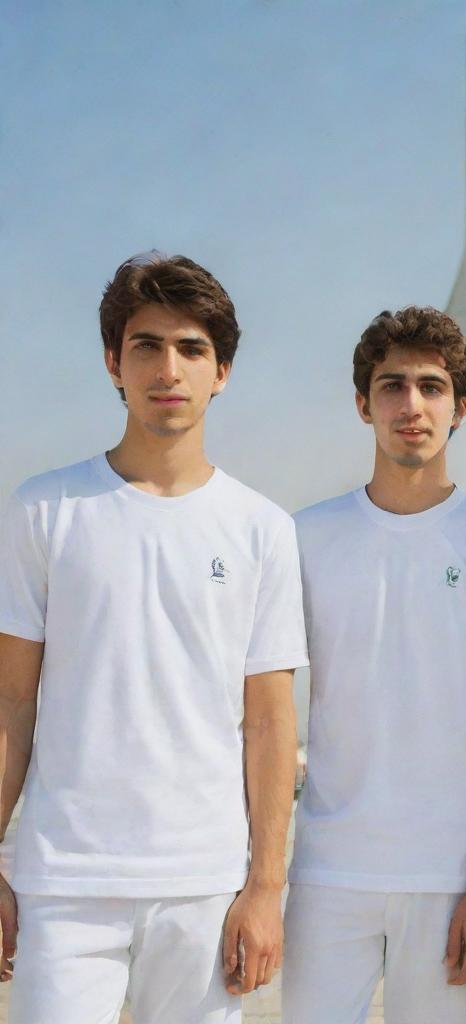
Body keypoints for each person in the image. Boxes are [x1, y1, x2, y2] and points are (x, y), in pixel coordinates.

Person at [0, 253, 308, 1023]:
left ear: (222, 371)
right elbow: (11, 702)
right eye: (146, 345)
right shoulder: (44, 510)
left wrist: (265, 888)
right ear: (114, 361)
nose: (168, 368)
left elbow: (269, 721)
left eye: (192, 348)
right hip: (63, 882)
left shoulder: (261, 528)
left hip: (202, 883)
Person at [282, 306, 466, 1024]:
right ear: (363, 404)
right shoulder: (304, 537)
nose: (410, 405)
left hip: (448, 878)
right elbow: (260, 711)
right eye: (391, 386)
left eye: (431, 386)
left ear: (461, 408)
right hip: (328, 870)